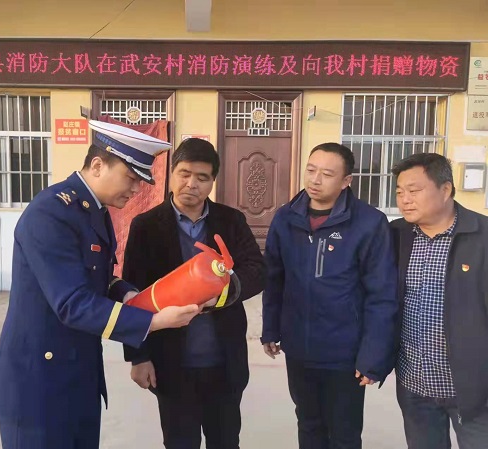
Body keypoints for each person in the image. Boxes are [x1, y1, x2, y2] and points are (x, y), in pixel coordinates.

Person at [0, 120, 203, 449]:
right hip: (37, 387)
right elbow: (72, 303)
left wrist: (129, 294)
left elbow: (97, 277)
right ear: (99, 165)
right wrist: (154, 321)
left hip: (79, 379)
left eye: (141, 181)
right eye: (131, 178)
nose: (136, 189)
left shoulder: (94, 211)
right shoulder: (51, 213)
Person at [122, 138, 265, 449]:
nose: (191, 184)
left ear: (212, 181)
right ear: (172, 173)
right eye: (184, 174)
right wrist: (138, 357)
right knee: (179, 443)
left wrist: (222, 293)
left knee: (225, 441)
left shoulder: (231, 221)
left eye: (202, 177)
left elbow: (257, 270)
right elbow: (133, 293)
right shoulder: (146, 226)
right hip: (171, 362)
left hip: (223, 362)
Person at [261, 142, 399, 449]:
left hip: (345, 353)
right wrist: (271, 327)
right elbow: (274, 277)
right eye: (311, 170)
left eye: (326, 174)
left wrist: (372, 355)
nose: (315, 180)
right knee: (308, 424)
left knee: (344, 432)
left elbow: (382, 295)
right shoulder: (285, 218)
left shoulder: (369, 223)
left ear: (346, 180)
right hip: (299, 347)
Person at [390, 153, 488, 449]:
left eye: (414, 190)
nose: (405, 200)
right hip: (414, 385)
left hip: (474, 390)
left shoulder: (481, 236)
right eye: (399, 192)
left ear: (445, 190)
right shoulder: (395, 236)